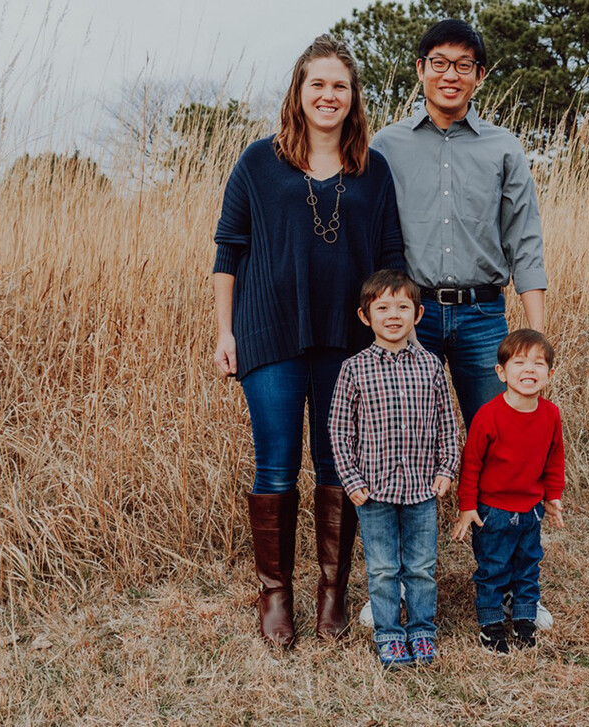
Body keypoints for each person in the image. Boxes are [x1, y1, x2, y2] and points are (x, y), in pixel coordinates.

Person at [212, 35, 406, 648]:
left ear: (353, 98)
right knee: (275, 462)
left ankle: (332, 591)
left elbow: (391, 259)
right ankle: (276, 595)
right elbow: (228, 252)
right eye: (317, 84)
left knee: (335, 463)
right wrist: (225, 331)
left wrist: (392, 330)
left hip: (347, 343)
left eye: (340, 86)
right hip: (269, 333)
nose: (328, 95)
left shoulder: (373, 170)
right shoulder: (258, 162)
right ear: (299, 92)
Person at [370, 18, 547, 430]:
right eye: (439, 63)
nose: (450, 75)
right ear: (421, 69)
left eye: (463, 65)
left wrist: (535, 337)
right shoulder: (386, 145)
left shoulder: (503, 147)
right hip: (411, 313)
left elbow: (524, 238)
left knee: (499, 433)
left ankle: (497, 499)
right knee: (407, 433)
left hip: (483, 315)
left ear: (479, 75)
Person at [328, 269, 460, 667]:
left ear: (418, 315)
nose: (393, 314)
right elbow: (338, 430)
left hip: (422, 488)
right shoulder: (354, 369)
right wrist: (351, 479)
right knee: (384, 570)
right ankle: (389, 634)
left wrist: (447, 468)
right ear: (365, 316)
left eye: (403, 306)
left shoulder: (432, 366)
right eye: (382, 307)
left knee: (421, 568)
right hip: (373, 491)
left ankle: (421, 631)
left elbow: (447, 422)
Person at [451, 329, 565, 652]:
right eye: (519, 362)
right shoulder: (488, 416)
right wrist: (467, 507)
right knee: (493, 569)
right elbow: (471, 464)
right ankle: (491, 625)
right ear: (501, 372)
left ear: (549, 374)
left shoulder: (550, 415)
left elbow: (555, 458)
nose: (529, 369)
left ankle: (525, 620)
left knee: (528, 566)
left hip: (530, 511)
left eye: (538, 364)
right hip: (492, 512)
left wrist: (552, 496)